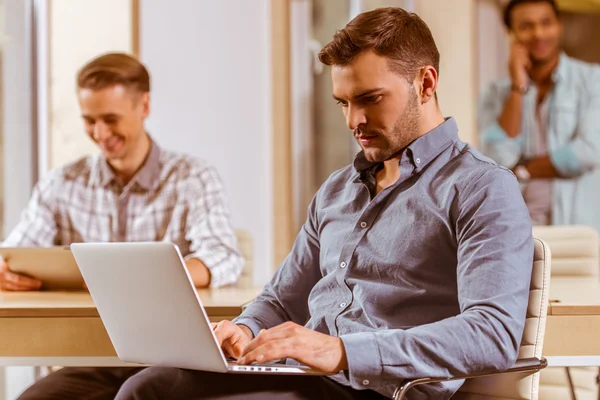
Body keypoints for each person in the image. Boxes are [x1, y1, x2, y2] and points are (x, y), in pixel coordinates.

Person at [114, 7, 534, 399]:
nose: (353, 121)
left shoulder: (481, 187)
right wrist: (245, 328)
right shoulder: (338, 190)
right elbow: (280, 301)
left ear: (425, 84)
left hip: (380, 389)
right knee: (149, 387)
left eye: (370, 98)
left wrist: (343, 351)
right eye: (344, 103)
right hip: (307, 377)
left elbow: (491, 334)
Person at [8, 52, 244, 399]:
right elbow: (16, 251)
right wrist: (5, 268)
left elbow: (223, 256)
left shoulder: (192, 177)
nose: (100, 133)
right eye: (89, 120)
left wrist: (146, 276)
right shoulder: (62, 183)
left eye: (110, 118)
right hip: (92, 357)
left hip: (171, 358)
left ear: (144, 106)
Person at [479, 0, 600, 230]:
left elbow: (589, 151)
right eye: (526, 26)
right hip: (519, 230)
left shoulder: (593, 80)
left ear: (559, 25)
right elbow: (494, 158)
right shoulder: (495, 93)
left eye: (546, 23)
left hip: (579, 229)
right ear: (510, 33)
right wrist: (517, 88)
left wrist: (522, 170)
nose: (538, 34)